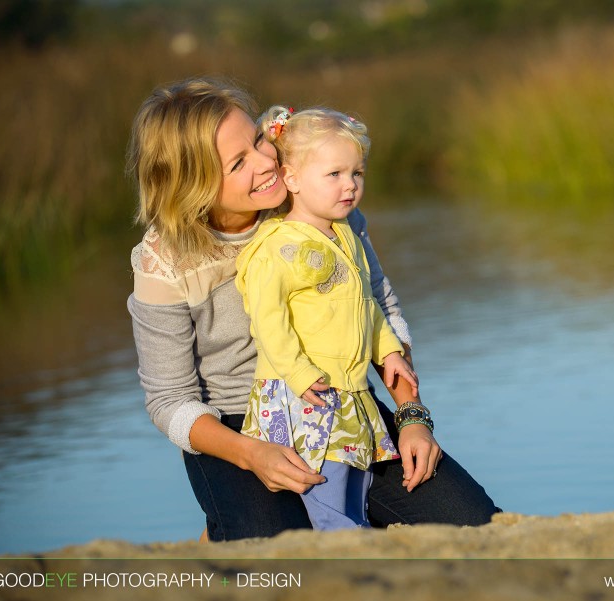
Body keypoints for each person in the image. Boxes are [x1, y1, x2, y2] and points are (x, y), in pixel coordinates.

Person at [126, 76, 497, 541]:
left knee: (479, 525)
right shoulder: (163, 261)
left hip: (343, 406)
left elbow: (379, 308)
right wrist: (249, 455)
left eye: (259, 140)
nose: (267, 162)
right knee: (277, 553)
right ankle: (228, 521)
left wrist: (412, 418)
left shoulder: (317, 202)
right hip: (240, 429)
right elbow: (169, 400)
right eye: (239, 162)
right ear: (193, 184)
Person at [236, 104, 422, 530]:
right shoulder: (278, 246)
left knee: (355, 487)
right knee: (326, 492)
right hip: (304, 395)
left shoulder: (345, 235)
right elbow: (268, 321)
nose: (350, 185)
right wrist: (299, 373)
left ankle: (355, 549)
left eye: (356, 173)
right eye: (334, 174)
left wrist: (389, 351)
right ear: (292, 179)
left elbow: (367, 306)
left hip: (349, 392)